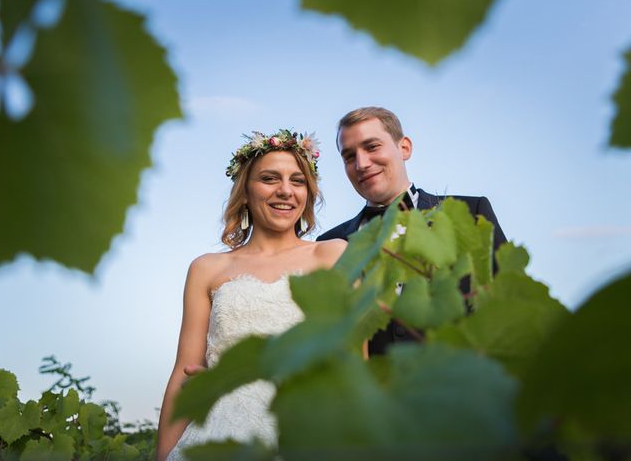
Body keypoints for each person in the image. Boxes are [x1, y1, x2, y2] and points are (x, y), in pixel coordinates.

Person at [156, 130, 347, 460]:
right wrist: (162, 454)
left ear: (308, 193)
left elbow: (353, 362)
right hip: (218, 433)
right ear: (245, 190)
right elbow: (183, 373)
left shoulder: (332, 256)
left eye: (297, 181)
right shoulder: (206, 269)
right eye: (269, 178)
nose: (285, 190)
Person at [317, 107, 507, 355]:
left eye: (372, 147)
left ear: (404, 148)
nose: (362, 163)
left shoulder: (471, 213)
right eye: (349, 157)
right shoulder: (329, 244)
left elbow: (507, 304)